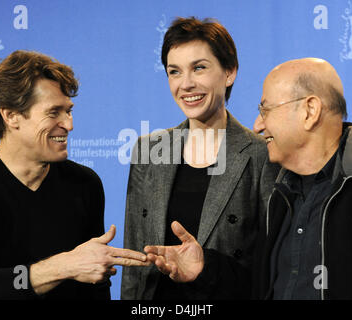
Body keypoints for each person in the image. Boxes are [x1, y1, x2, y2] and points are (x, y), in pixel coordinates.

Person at [144, 57, 352, 299]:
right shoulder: (280, 193)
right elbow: (260, 288)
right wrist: (204, 269)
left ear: (310, 110)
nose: (258, 124)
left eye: (266, 110)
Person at [0, 50, 149, 300]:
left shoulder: (84, 183)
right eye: (53, 112)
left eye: (68, 111)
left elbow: (95, 288)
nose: (69, 124)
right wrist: (63, 266)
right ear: (11, 115)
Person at [121, 17, 278, 300]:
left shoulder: (261, 154)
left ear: (229, 72)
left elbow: (271, 267)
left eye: (199, 68)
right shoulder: (148, 151)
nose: (186, 84)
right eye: (174, 72)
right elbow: (135, 266)